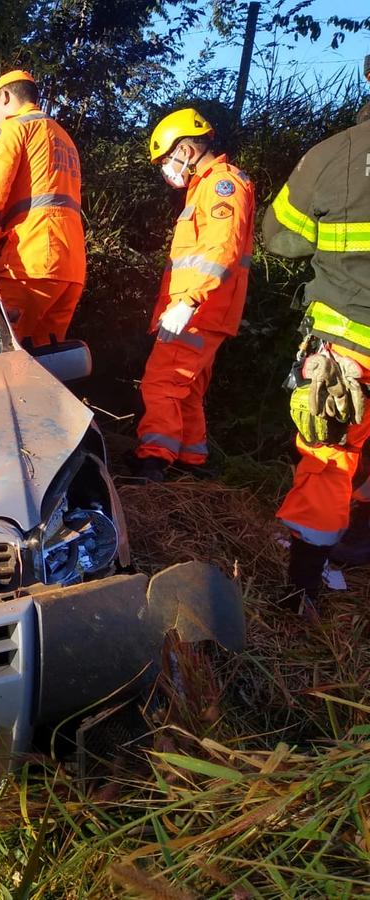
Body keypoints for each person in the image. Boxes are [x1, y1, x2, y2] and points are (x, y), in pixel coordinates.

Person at [262, 55, 370, 606]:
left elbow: (279, 237)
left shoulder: (334, 156)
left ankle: (301, 590)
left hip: (349, 344)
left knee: (328, 460)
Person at [130, 108, 255, 483]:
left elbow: (222, 250)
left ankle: (154, 462)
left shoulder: (222, 185)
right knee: (186, 389)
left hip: (198, 309)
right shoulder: (203, 188)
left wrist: (188, 302)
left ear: (186, 148)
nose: (167, 167)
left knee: (162, 381)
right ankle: (190, 460)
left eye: (167, 158)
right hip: (201, 309)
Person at [0, 70, 86, 347]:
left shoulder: (16, 128)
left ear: (4, 97)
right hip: (70, 268)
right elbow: (34, 212)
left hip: (32, 262)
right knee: (46, 363)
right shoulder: (62, 137)